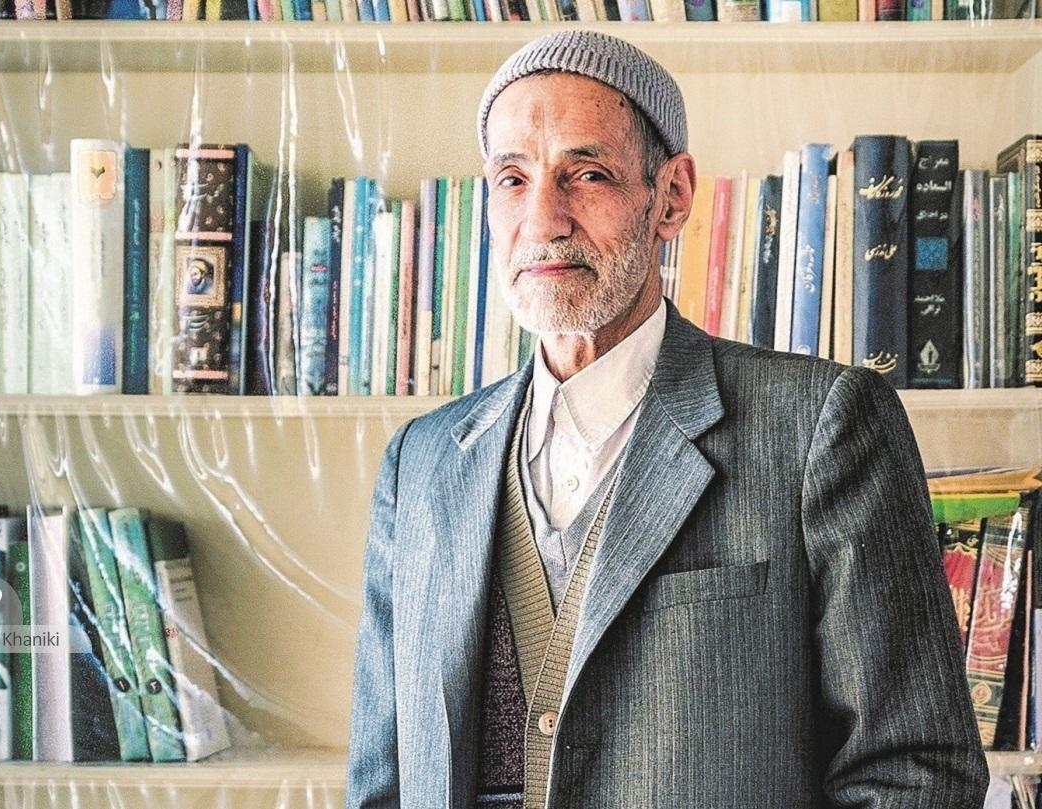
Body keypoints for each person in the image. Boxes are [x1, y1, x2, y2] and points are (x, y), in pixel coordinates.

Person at [346, 29, 987, 809]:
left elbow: (916, 773)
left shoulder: (821, 427)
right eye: (512, 179)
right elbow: (382, 782)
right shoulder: (419, 463)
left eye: (586, 174)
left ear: (673, 196)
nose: (543, 220)